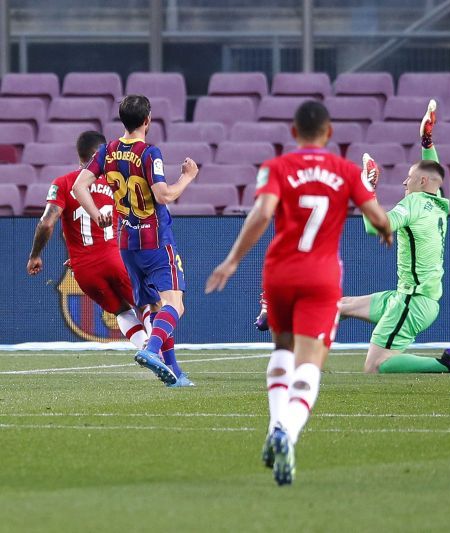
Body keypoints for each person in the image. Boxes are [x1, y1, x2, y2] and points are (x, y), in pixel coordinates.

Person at [205, 100, 393, 486]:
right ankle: (286, 433)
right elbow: (377, 217)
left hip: (279, 274)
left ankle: (275, 424)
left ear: (293, 132)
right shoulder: (345, 171)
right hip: (322, 277)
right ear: (330, 132)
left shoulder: (276, 167)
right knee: (310, 361)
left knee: (281, 352)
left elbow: (261, 214)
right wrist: (386, 229)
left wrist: (232, 260)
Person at [339, 100, 450, 374]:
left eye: (409, 177)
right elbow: (433, 170)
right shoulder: (438, 202)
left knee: (375, 366)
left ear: (422, 183)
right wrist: (427, 141)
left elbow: (375, 227)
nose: (405, 183)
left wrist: (367, 191)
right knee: (342, 306)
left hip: (411, 301)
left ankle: (447, 364)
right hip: (412, 297)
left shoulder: (413, 203)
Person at [73, 95, 199, 387]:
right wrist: (188, 177)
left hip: (127, 243)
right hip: (155, 239)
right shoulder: (149, 153)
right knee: (174, 304)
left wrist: (97, 214)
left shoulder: (108, 150)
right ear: (147, 120)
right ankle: (151, 350)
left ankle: (175, 374)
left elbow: (80, 186)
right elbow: (164, 195)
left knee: (154, 307)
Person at [27, 131, 148, 349]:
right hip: (116, 259)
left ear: (79, 155)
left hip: (84, 271)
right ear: (100, 154)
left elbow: (47, 223)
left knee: (121, 310)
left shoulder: (63, 183)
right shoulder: (116, 181)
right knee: (149, 304)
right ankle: (163, 356)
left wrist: (35, 255)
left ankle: (147, 350)